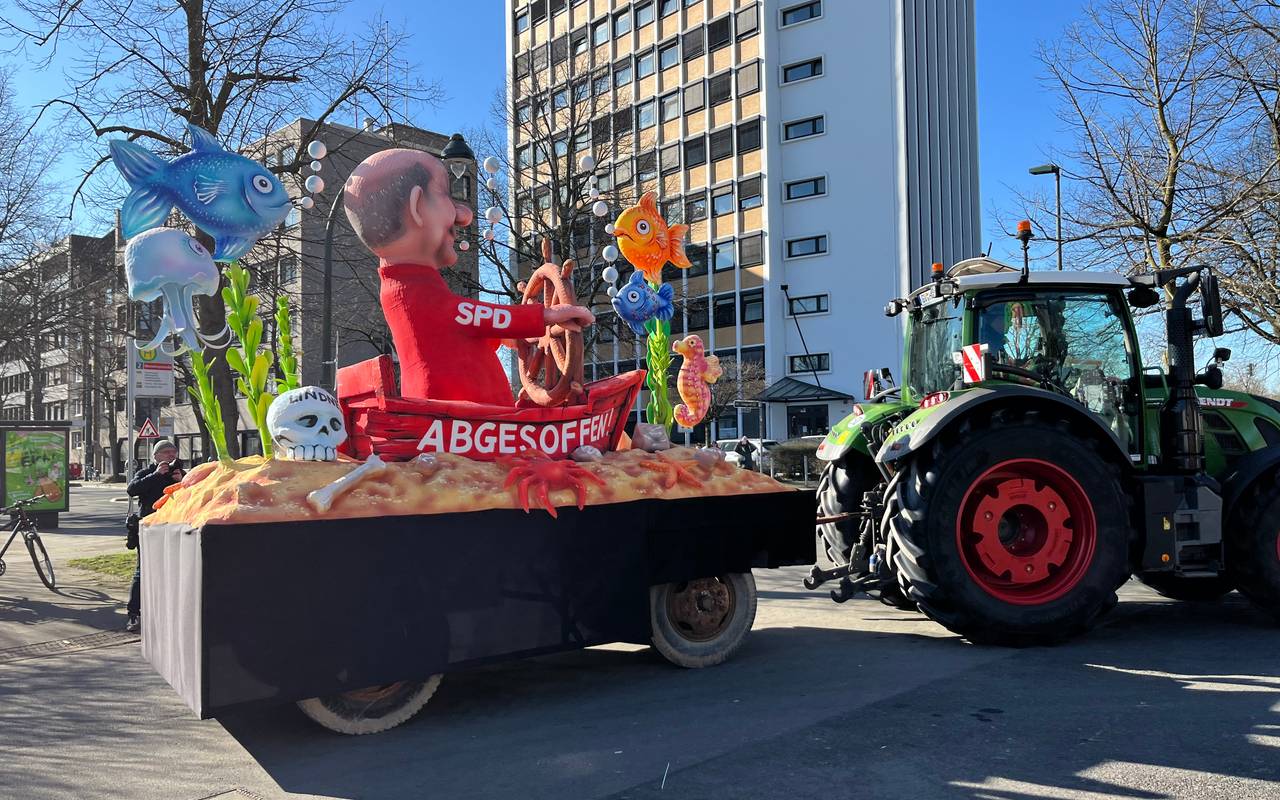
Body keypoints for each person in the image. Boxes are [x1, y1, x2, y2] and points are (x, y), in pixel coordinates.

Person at [342, 149, 595, 406]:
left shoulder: (404, 286)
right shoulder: (410, 292)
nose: (463, 216)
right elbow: (463, 314)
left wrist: (509, 335)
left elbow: (457, 331)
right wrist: (543, 317)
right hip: (461, 422)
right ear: (417, 207)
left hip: (467, 422)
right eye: (445, 196)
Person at [124, 440, 184, 633]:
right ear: (156, 456)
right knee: (143, 571)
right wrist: (156, 475)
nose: (170, 455)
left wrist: (181, 482)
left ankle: (167, 613)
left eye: (173, 452)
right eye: (166, 452)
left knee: (173, 571)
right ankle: (134, 613)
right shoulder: (147, 473)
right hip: (150, 529)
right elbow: (132, 489)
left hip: (175, 527)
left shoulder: (181, 473)